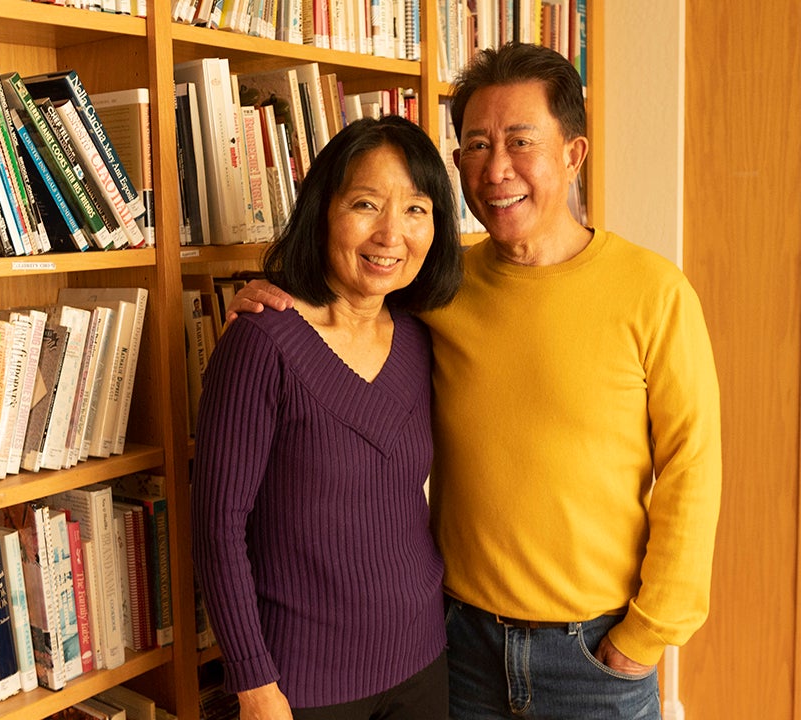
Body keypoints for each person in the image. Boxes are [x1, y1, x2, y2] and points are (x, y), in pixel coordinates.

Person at [227, 42, 722, 719]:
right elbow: (347, 308)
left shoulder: (654, 293)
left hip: (594, 654)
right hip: (458, 648)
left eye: (521, 142)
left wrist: (647, 636)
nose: (496, 170)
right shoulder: (437, 288)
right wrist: (269, 293)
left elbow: (692, 469)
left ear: (574, 154)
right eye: (477, 146)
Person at [192, 115, 464, 720]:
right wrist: (254, 683)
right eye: (366, 204)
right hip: (301, 686)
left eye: (417, 209)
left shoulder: (423, 337)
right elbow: (217, 526)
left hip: (424, 659)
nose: (391, 233)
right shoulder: (262, 343)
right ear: (322, 210)